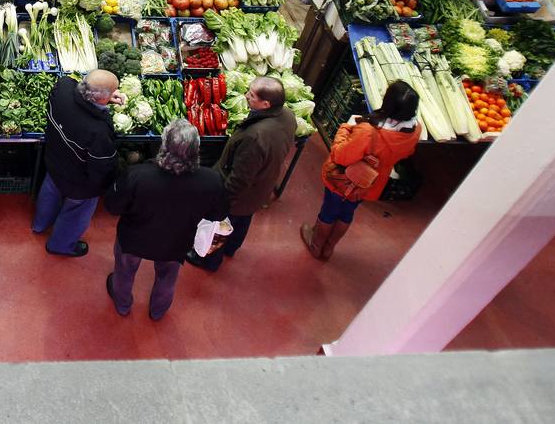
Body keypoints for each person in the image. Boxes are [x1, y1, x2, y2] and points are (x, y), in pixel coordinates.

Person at [104, 120, 226, 320]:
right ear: (197, 149)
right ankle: (158, 311)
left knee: (124, 271)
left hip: (134, 239)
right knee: (167, 277)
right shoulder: (211, 180)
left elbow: (112, 206)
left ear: (164, 145)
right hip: (176, 242)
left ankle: (122, 304)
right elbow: (217, 214)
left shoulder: (137, 175)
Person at [300, 81, 421, 261]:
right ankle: (329, 248)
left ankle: (316, 245)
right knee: (347, 213)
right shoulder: (415, 130)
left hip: (344, 180)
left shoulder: (368, 131)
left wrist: (346, 128)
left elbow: (341, 156)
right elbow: (407, 153)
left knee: (329, 211)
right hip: (370, 183)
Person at [188, 76, 298, 271]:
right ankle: (232, 248)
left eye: (252, 95)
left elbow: (239, 179)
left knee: (220, 225)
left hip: (241, 195)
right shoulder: (287, 115)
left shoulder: (255, 137)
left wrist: (222, 202)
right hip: (261, 187)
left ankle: (209, 260)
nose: (246, 95)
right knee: (243, 220)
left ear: (266, 104)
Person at [33, 70, 120, 257]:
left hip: (54, 160)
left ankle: (40, 224)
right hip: (78, 181)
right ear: (102, 98)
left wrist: (104, 98)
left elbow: (74, 88)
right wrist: (100, 187)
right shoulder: (98, 131)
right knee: (77, 210)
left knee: (50, 191)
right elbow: (102, 167)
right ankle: (60, 245)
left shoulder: (63, 86)